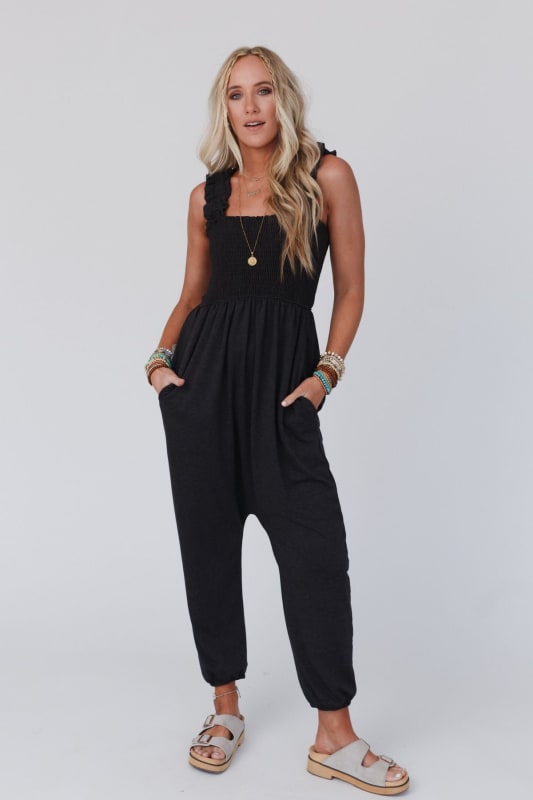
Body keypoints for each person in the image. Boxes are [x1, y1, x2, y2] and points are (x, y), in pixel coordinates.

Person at [145, 46, 409, 795]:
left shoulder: (328, 176)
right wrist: (159, 366)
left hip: (283, 400)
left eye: (263, 91)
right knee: (208, 550)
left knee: (317, 553)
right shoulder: (206, 196)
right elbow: (192, 294)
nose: (251, 107)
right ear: (223, 109)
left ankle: (335, 735)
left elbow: (351, 288)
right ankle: (224, 708)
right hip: (201, 394)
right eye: (236, 95)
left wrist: (324, 377)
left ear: (283, 98)